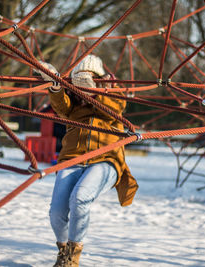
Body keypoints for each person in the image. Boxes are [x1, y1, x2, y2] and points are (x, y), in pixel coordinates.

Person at [36, 55, 138, 267]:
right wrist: (55, 85)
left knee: (80, 197)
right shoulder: (73, 105)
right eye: (78, 81)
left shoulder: (113, 95)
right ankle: (63, 252)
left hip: (106, 159)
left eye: (88, 79)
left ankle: (73, 258)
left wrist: (94, 92)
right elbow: (61, 106)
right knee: (56, 211)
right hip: (73, 158)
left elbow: (116, 108)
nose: (82, 86)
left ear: (99, 78)